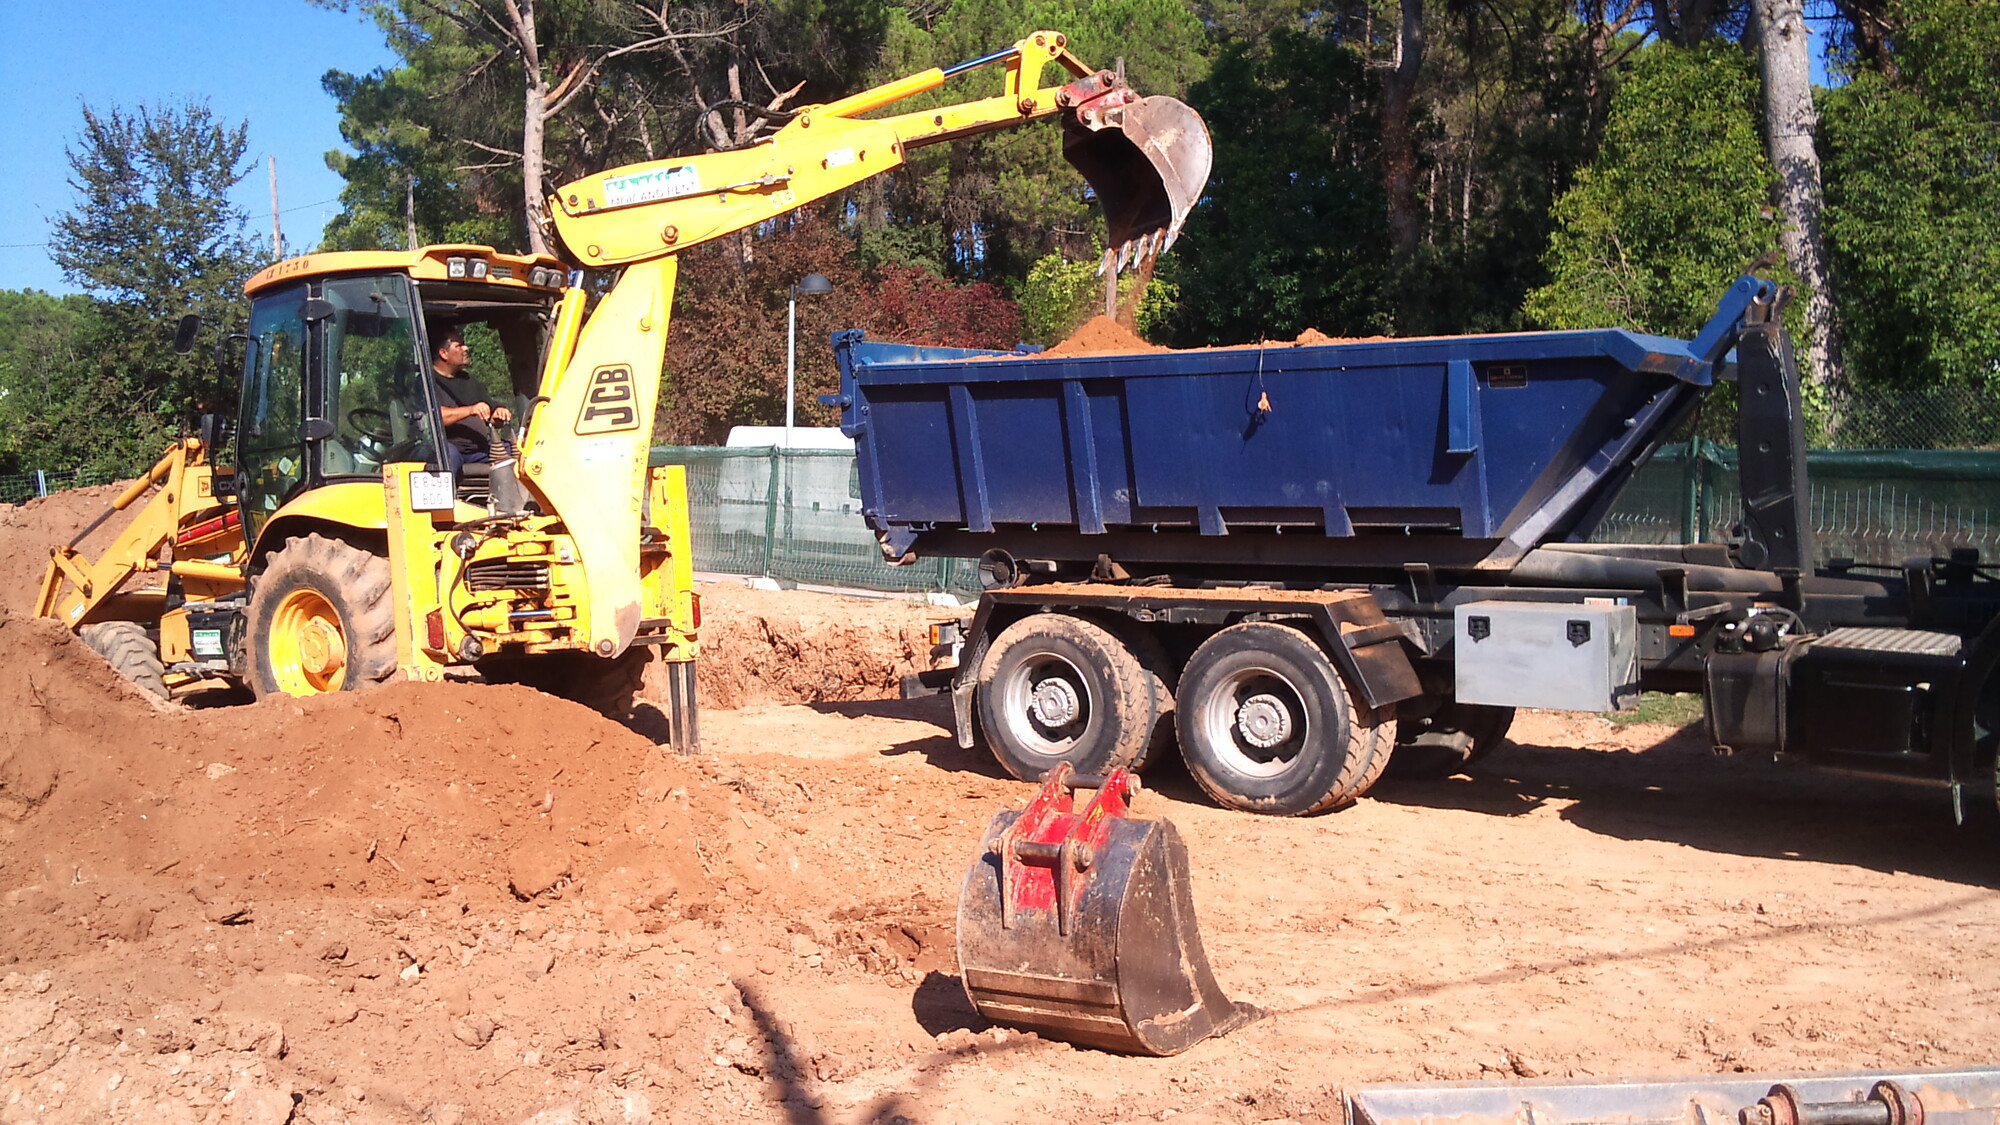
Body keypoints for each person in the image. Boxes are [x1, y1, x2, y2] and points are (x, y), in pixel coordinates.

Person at [429, 325, 512, 471]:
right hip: (446, 447)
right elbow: (435, 417)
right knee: (448, 457)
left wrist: (498, 414)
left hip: (478, 449)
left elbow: (490, 416)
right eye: (459, 346)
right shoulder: (427, 382)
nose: (466, 348)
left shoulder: (469, 380)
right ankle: (449, 493)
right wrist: (471, 410)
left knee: (520, 453)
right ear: (443, 353)